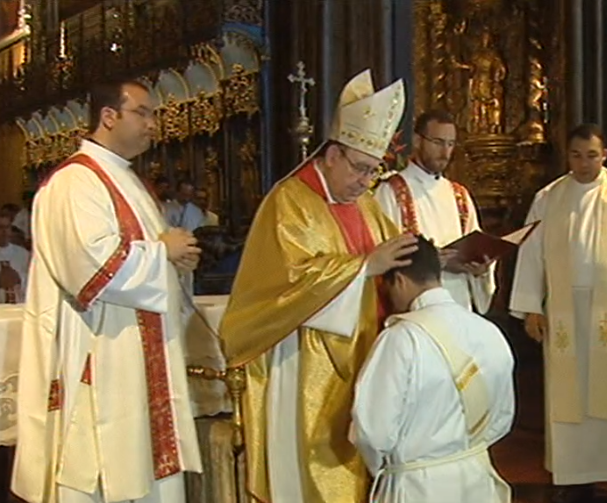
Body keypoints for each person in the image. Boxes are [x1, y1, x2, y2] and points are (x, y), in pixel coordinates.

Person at [218, 69, 411, 503]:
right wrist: (364, 267)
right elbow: (289, 283)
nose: (365, 182)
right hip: (306, 360)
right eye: (360, 169)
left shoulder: (363, 203)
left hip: (364, 352)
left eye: (373, 172)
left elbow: (385, 256)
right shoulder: (289, 200)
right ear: (332, 155)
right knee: (310, 469)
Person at [11, 79, 204, 503]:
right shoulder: (74, 182)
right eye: (143, 112)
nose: (154, 124)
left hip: (135, 354)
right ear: (108, 116)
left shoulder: (129, 181)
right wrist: (161, 254)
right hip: (102, 352)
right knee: (101, 472)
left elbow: (149, 260)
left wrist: (176, 263)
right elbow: (90, 271)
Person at [509, 123, 607, 503]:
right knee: (568, 399)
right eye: (576, 155)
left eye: (591, 156)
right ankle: (574, 475)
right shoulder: (549, 197)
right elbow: (532, 254)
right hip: (564, 312)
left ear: (605, 155)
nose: (583, 164)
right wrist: (532, 308)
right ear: (568, 156)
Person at [351, 235, 515, 502]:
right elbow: (502, 418)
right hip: (477, 477)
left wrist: (386, 468)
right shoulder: (489, 331)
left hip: (417, 486)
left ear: (399, 280)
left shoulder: (401, 338)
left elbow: (372, 432)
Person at [374, 110, 496, 313]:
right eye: (438, 142)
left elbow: (476, 244)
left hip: (458, 305)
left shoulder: (459, 195)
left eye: (450, 144)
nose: (445, 152)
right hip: (416, 307)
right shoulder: (392, 190)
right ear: (417, 141)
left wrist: (480, 270)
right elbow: (380, 250)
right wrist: (428, 261)